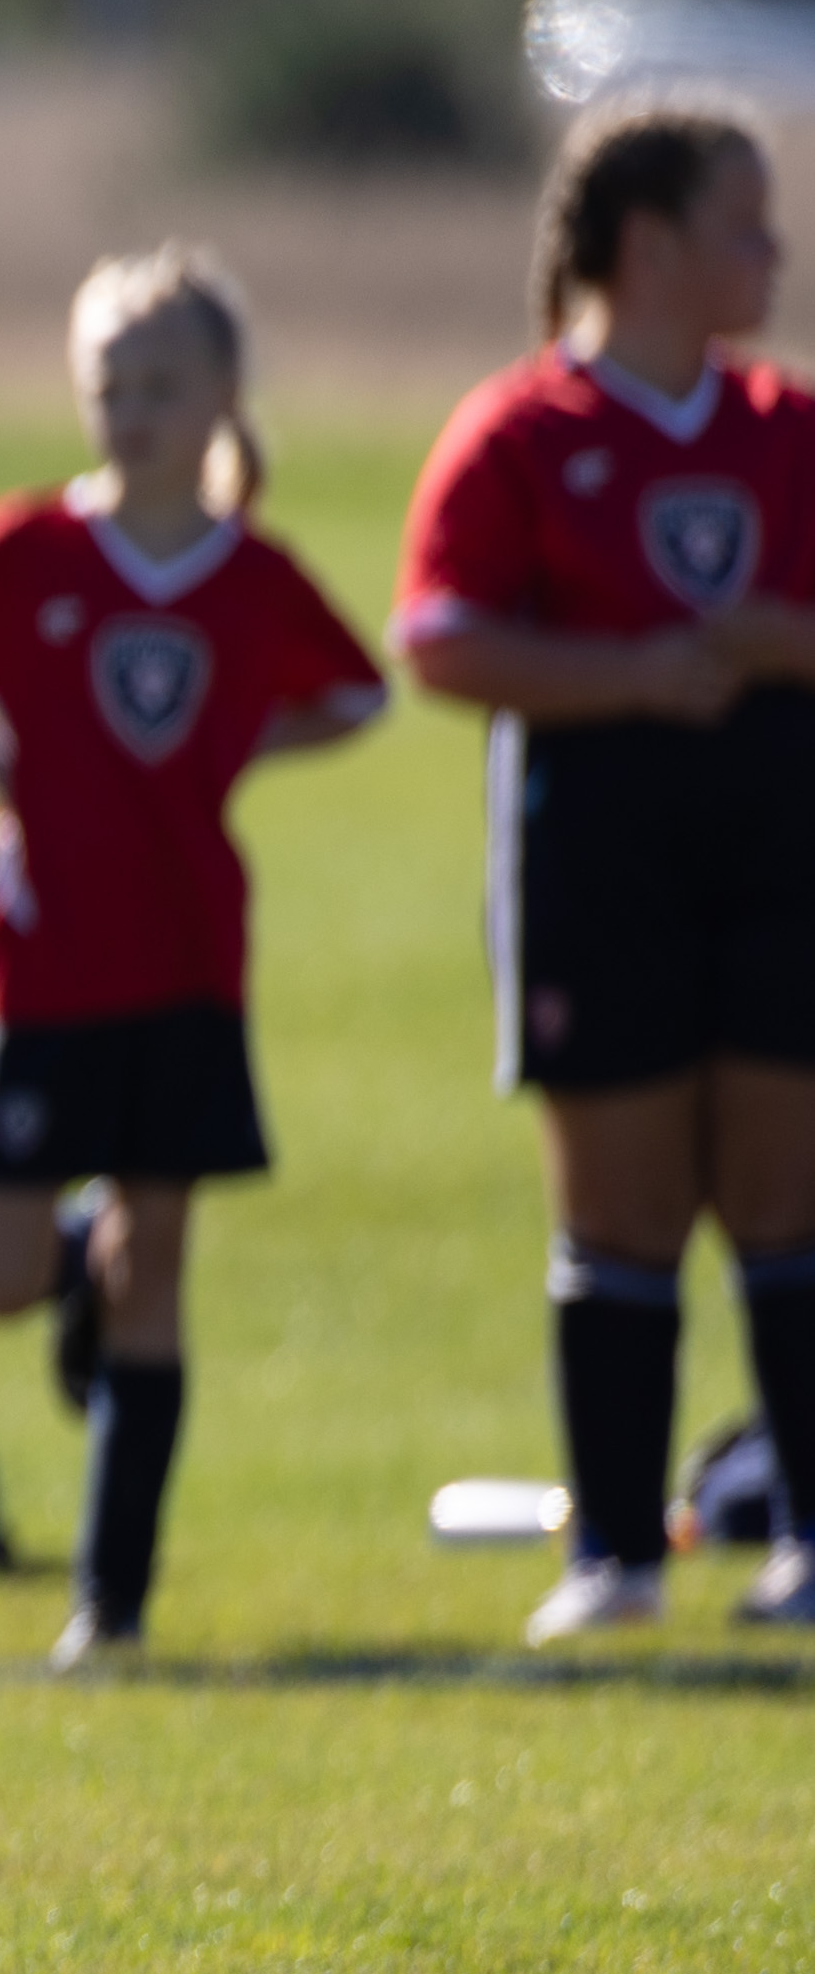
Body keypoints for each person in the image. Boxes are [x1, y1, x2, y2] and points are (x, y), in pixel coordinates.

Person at [0, 249, 385, 1670]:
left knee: (163, 1267)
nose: (131, 413)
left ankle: (111, 1602)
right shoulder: (29, 550)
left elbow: (357, 692)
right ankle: (79, 1250)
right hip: (40, 964)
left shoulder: (251, 576)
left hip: (188, 960)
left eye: (160, 386)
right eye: (109, 386)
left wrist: (244, 745)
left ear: (222, 397)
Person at [394, 97, 815, 1644]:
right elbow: (439, 639)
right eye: (743, 224)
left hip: (782, 857)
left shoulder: (788, 427)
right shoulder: (522, 432)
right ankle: (620, 1556)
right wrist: (631, 673)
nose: (773, 253)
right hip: (594, 859)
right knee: (623, 1206)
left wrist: (779, 644)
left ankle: (810, 1545)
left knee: (786, 1192)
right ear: (647, 245)